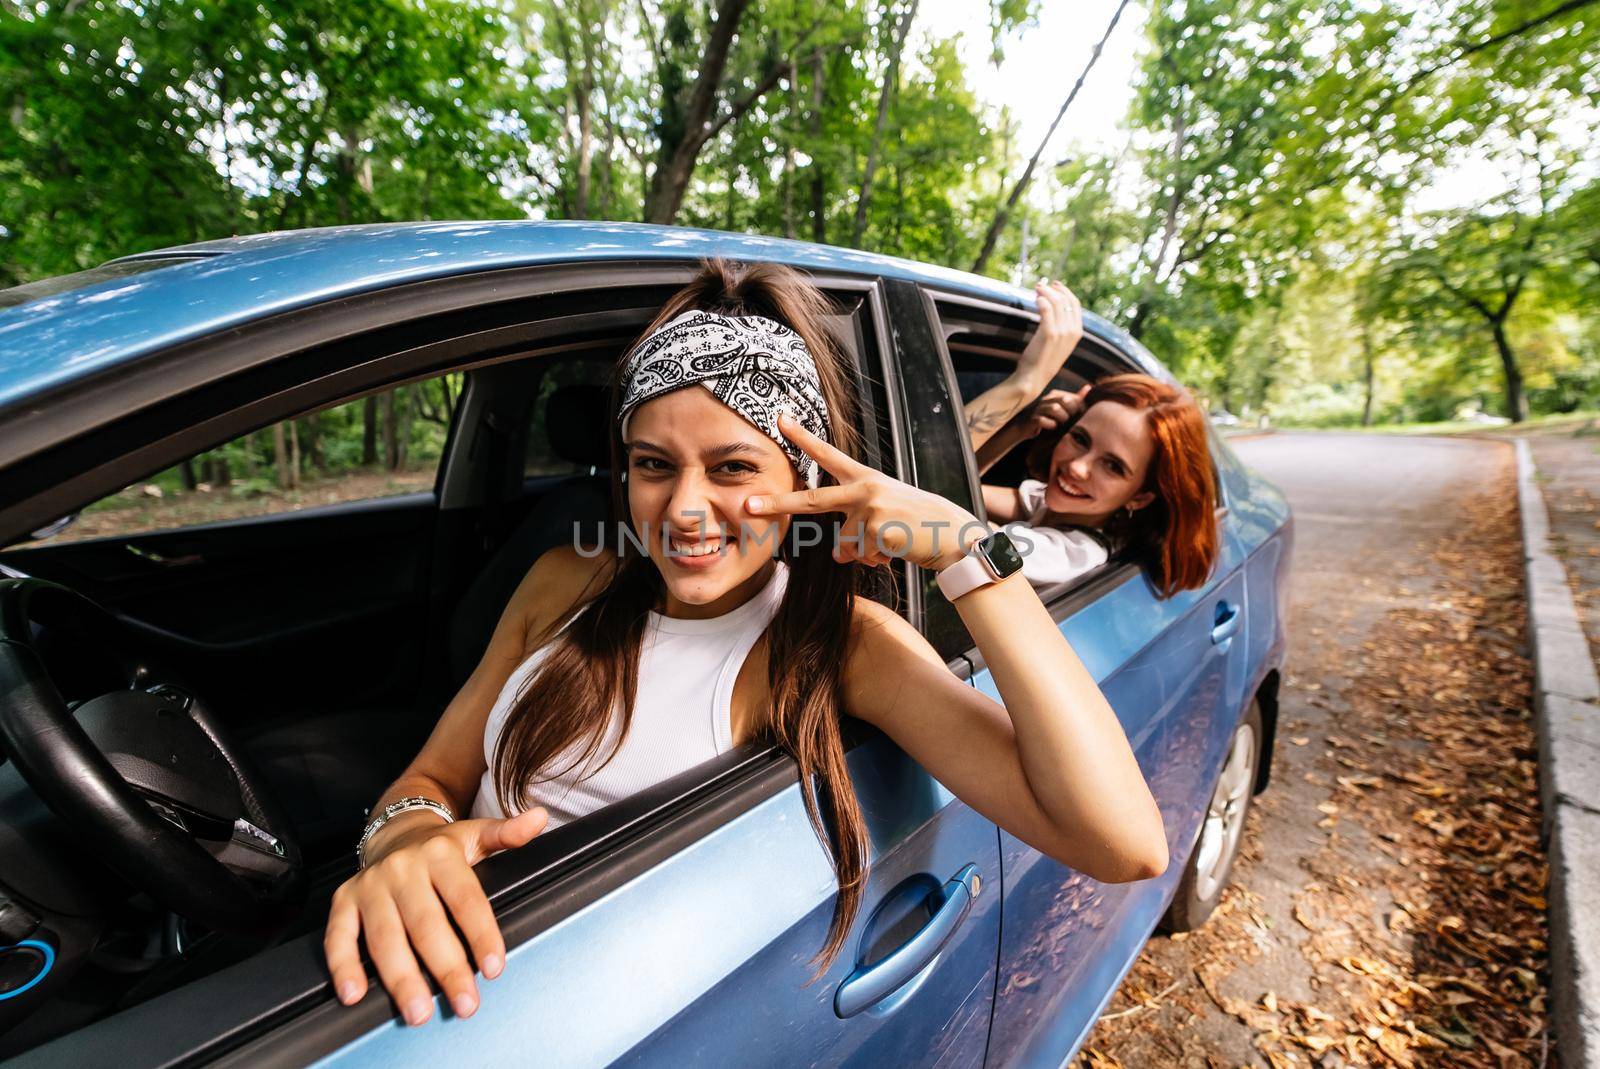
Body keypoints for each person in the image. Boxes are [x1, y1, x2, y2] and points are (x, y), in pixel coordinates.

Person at [323, 260, 1168, 1028]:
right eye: (655, 464)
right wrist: (405, 841)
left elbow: (1120, 840)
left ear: (801, 478)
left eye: (732, 469)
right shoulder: (561, 580)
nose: (685, 508)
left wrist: (962, 548)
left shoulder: (839, 645)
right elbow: (432, 777)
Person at [960, 284, 1219, 597]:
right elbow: (957, 489)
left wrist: (1025, 384)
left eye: (1113, 466)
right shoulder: (1054, 506)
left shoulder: (1065, 553)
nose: (1078, 467)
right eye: (1081, 439)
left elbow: (940, 525)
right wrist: (1020, 427)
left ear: (1140, 497)